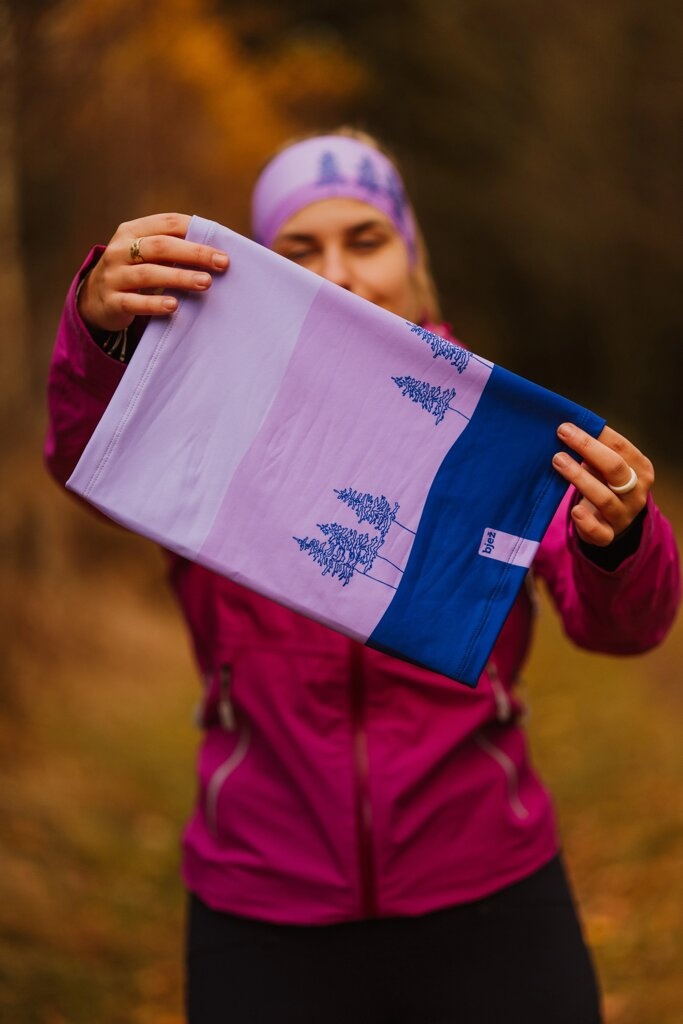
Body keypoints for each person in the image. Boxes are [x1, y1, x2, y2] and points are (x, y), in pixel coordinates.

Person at [45, 129, 680, 1024]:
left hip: (486, 884)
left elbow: (621, 627)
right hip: (261, 899)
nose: (340, 273)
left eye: (366, 240)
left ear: (412, 260)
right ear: (263, 273)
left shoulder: (495, 434)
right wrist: (99, 328)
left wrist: (619, 540)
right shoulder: (218, 406)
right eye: (300, 251)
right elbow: (89, 460)